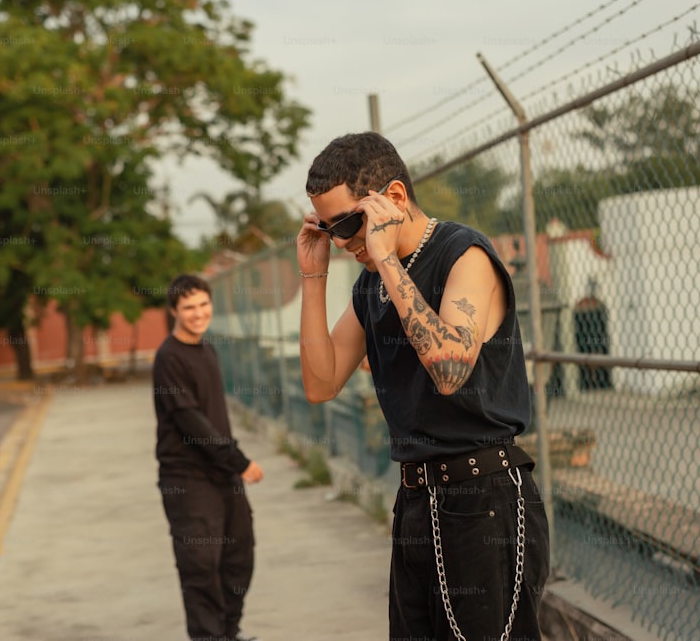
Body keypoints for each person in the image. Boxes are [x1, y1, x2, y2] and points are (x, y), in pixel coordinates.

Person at [297, 132, 549, 640]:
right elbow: (320, 383)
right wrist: (312, 276)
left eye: (347, 224)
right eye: (328, 229)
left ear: (392, 198)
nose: (344, 243)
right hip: (417, 501)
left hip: (482, 499)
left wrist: (386, 257)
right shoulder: (371, 284)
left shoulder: (463, 255)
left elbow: (449, 370)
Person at [152, 273, 263, 641]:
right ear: (174, 311)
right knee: (200, 568)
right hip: (188, 479)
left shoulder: (207, 349)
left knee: (239, 557)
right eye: (189, 308)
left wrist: (230, 466)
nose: (198, 313)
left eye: (203, 305)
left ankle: (229, 633)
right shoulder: (169, 358)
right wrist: (240, 461)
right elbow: (191, 422)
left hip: (221, 476)